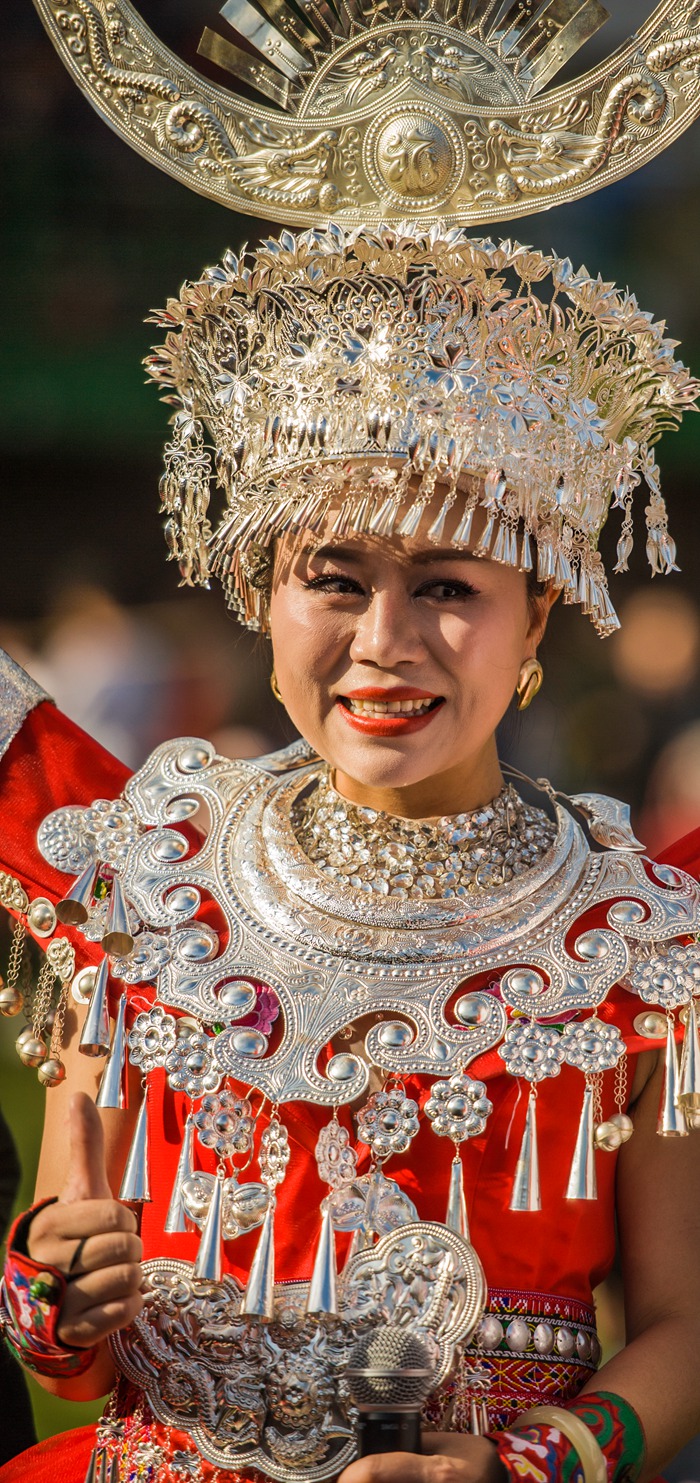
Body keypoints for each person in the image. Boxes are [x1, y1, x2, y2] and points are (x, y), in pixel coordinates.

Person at [1, 226, 700, 1483]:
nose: (384, 641)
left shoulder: (634, 939)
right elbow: (71, 1363)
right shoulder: (143, 883)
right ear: (261, 601)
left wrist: (532, 1463)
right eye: (333, 580)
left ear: (535, 614)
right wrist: (53, 1291)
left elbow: (683, 1328)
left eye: (447, 587)